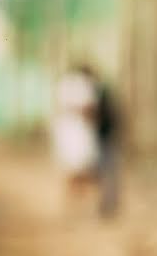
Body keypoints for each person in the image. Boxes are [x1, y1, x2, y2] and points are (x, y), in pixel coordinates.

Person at [51, 64, 119, 218]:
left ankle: (83, 206)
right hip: (81, 141)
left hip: (89, 140)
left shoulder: (85, 90)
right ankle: (77, 207)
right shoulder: (79, 90)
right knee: (79, 173)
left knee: (86, 173)